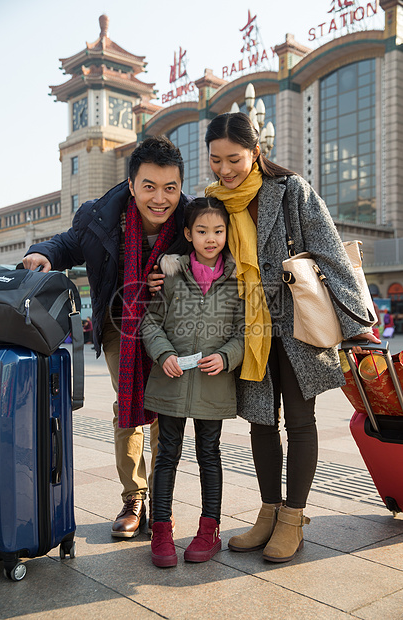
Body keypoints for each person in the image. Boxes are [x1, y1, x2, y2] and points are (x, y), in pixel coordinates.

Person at [152, 112, 380, 563]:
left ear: (256, 152)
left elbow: (331, 253)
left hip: (297, 325)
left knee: (298, 422)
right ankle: (268, 512)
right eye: (216, 160)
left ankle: (293, 518)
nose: (225, 170)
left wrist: (359, 326)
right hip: (247, 330)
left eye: (233, 159)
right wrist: (165, 271)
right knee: (260, 424)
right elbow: (195, 243)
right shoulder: (214, 202)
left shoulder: (290, 190)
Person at [22, 136, 192, 539]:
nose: (160, 199)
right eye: (149, 187)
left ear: (181, 186)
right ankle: (134, 497)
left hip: (174, 321)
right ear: (132, 185)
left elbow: (215, 253)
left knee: (166, 409)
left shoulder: (192, 217)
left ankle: (162, 501)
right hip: (121, 322)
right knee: (130, 402)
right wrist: (43, 252)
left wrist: (178, 266)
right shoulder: (100, 215)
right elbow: (68, 243)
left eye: (170, 188)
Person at [141, 197, 245, 567]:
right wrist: (165, 354)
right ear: (188, 234)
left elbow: (244, 332)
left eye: (218, 231)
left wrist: (228, 356)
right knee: (166, 454)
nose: (211, 238)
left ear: (227, 234)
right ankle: (162, 529)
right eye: (202, 231)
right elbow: (150, 322)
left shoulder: (236, 281)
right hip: (171, 384)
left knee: (209, 455)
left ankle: (209, 529)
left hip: (212, 388)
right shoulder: (171, 276)